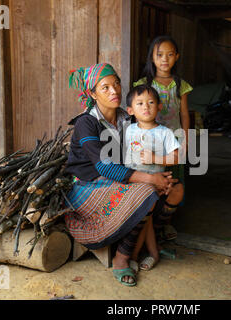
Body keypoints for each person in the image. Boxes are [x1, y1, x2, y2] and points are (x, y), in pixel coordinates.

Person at [65, 63, 176, 287]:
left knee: (168, 187)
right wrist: (151, 179)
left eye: (116, 83)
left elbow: (138, 151)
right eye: (105, 87)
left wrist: (159, 174)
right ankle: (122, 258)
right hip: (86, 187)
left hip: (117, 180)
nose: (114, 91)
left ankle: (150, 243)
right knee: (145, 191)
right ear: (93, 94)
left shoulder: (127, 118)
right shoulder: (86, 123)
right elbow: (104, 167)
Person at [134, 35, 193, 241]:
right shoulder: (144, 83)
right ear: (152, 57)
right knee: (155, 179)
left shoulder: (180, 84)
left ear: (177, 57)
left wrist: (185, 138)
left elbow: (185, 113)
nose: (164, 59)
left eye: (169, 55)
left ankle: (166, 223)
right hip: (152, 141)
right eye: (159, 55)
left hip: (174, 141)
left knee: (174, 180)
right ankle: (148, 220)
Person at [124, 84, 184, 271]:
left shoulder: (164, 132)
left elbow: (177, 157)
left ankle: (145, 250)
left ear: (159, 107)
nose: (146, 107)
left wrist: (155, 158)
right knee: (146, 205)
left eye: (151, 102)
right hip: (136, 183)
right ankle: (152, 252)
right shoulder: (128, 130)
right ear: (130, 110)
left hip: (158, 181)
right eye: (140, 103)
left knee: (176, 190)